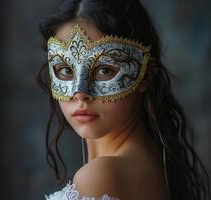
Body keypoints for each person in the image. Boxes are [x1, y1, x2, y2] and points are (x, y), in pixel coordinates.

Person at [37, 0, 211, 199]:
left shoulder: (100, 176)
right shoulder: (155, 160)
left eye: (105, 70)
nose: (80, 92)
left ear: (146, 75)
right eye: (66, 70)